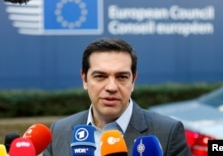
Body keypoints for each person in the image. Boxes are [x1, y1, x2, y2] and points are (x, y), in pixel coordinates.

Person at [43, 37, 192, 156]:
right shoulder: (59, 131)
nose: (111, 87)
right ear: (84, 79)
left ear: (133, 80)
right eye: (100, 76)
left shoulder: (168, 131)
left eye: (121, 77)